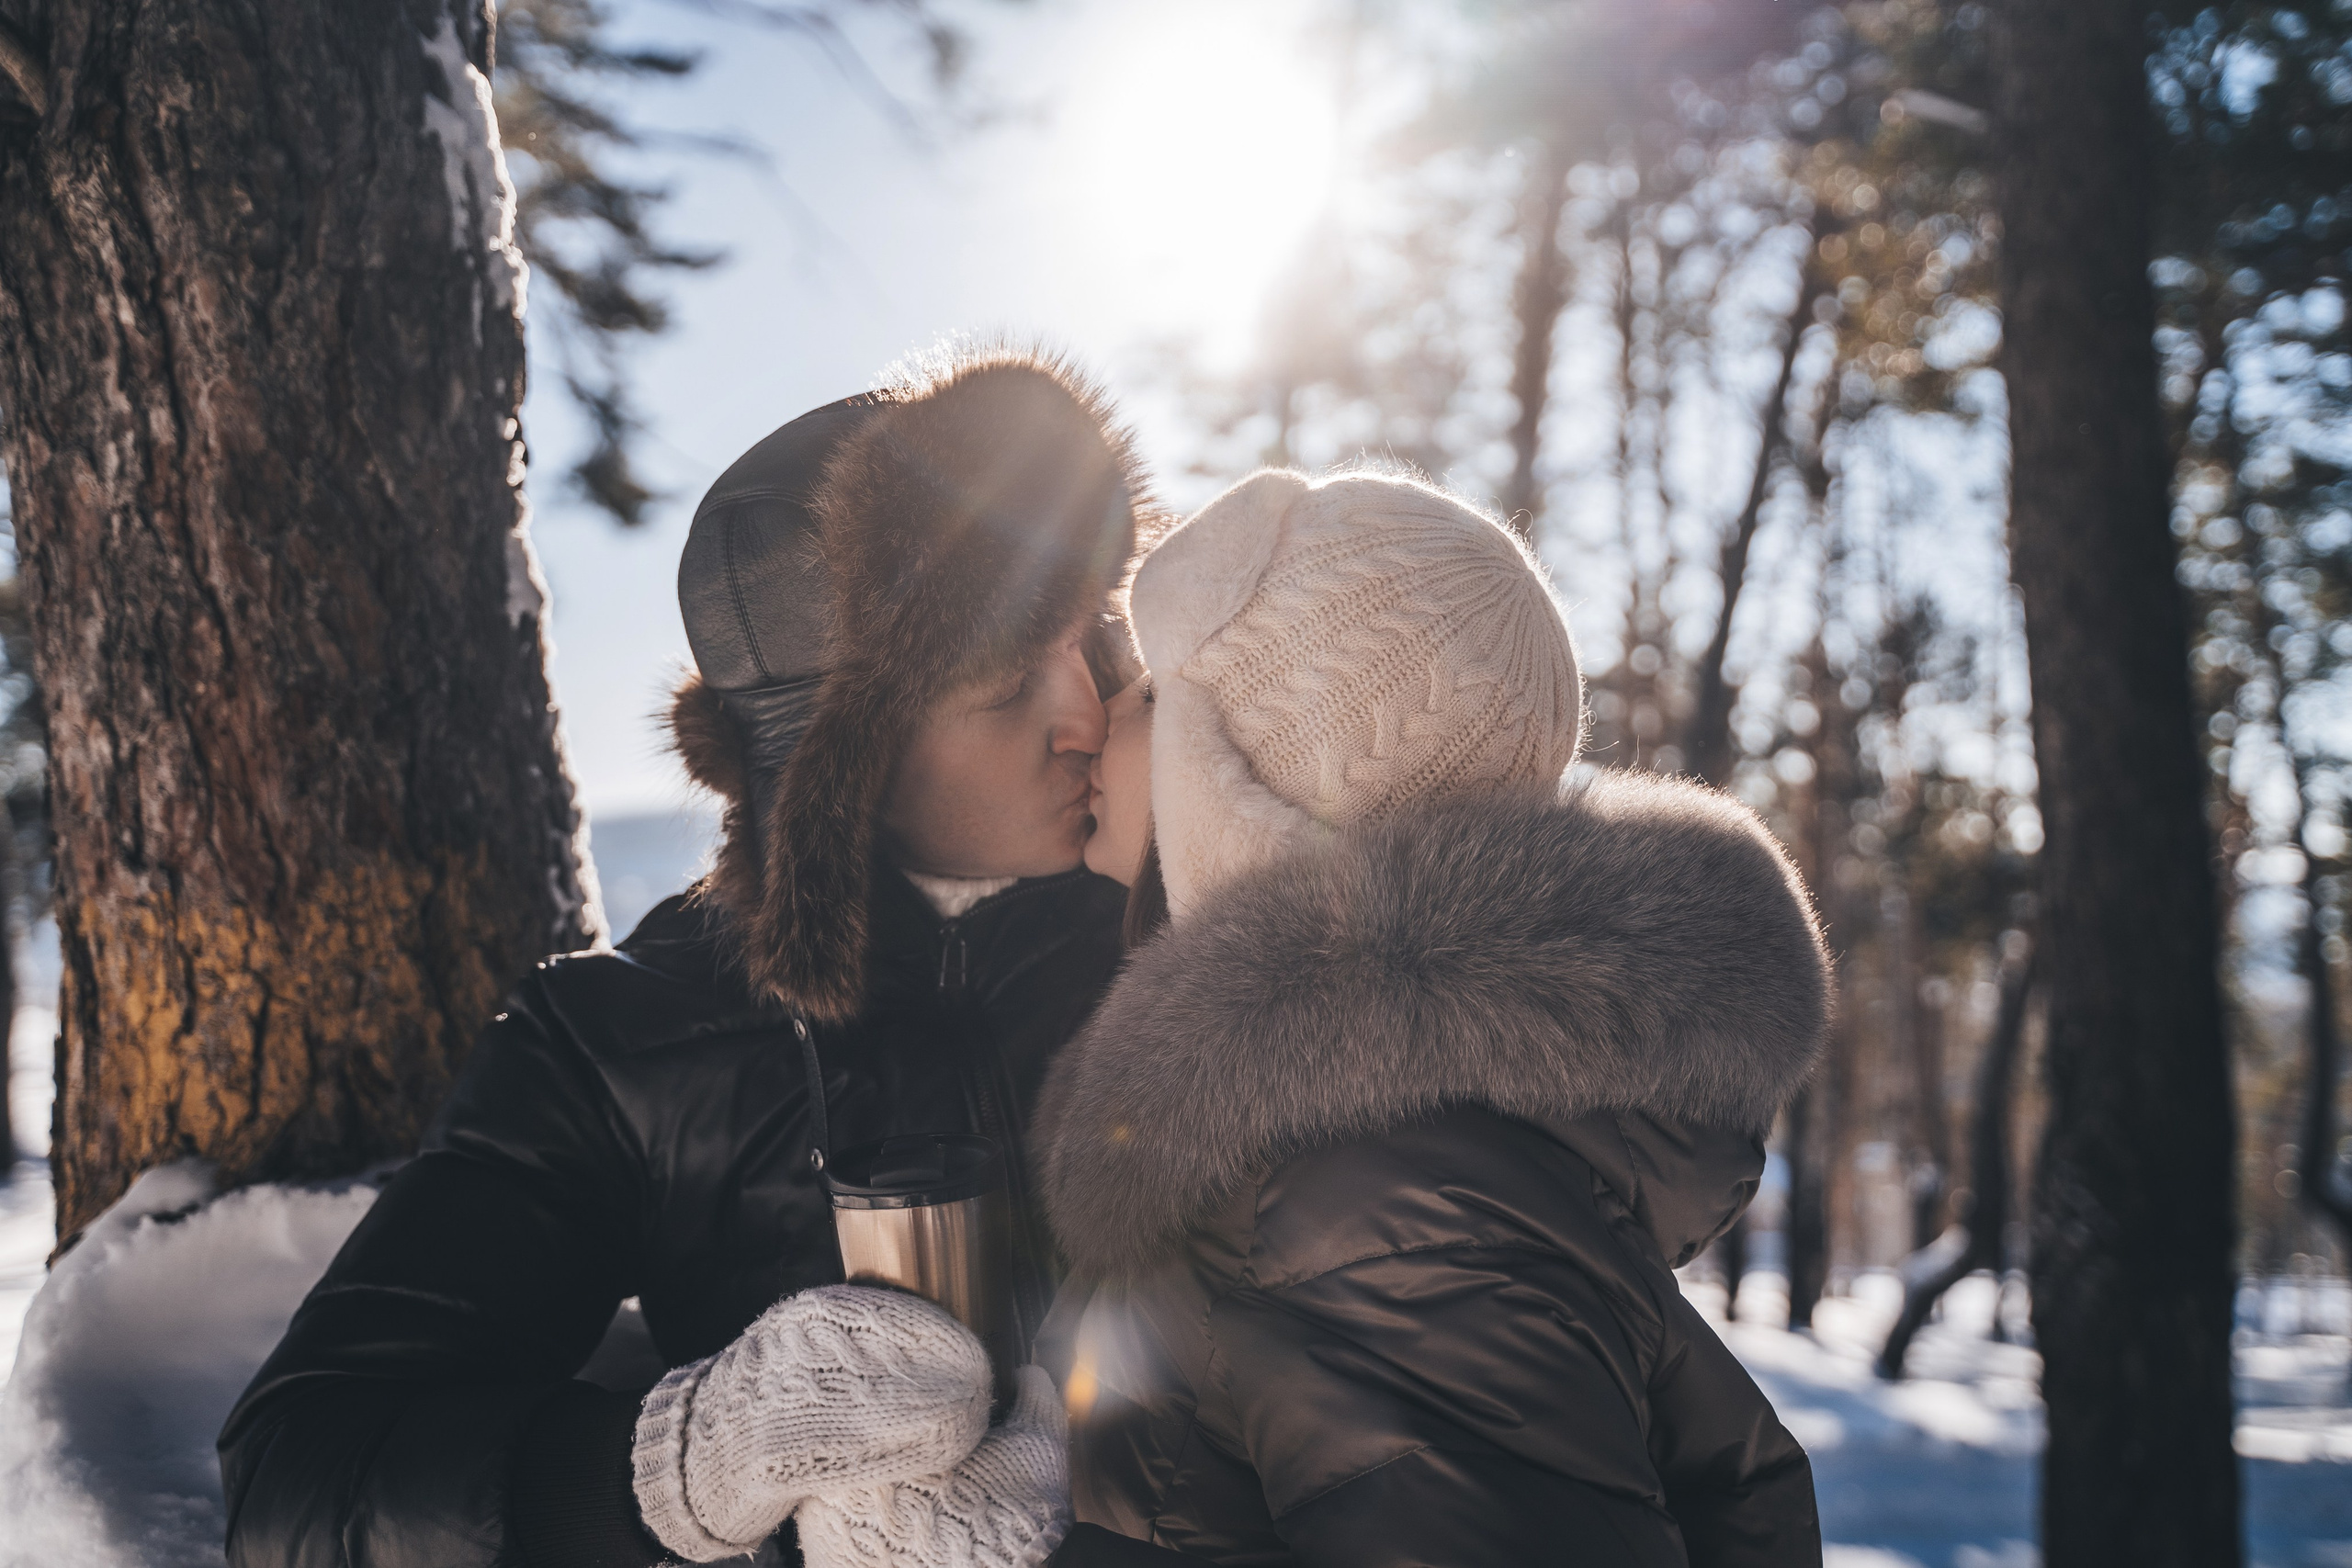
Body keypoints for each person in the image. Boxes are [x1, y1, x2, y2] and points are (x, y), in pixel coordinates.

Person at [218, 347, 1150, 1568]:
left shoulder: (1203, 947)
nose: (1087, 711)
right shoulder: (622, 1042)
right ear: (834, 763)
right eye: (1001, 681)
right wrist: (685, 1470)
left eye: (1095, 636)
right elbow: (301, 1473)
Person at [1035, 468, 1831, 1566]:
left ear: (1248, 789)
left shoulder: (1391, 1214)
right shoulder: (1363, 1160)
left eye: (1155, 693)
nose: (1098, 721)